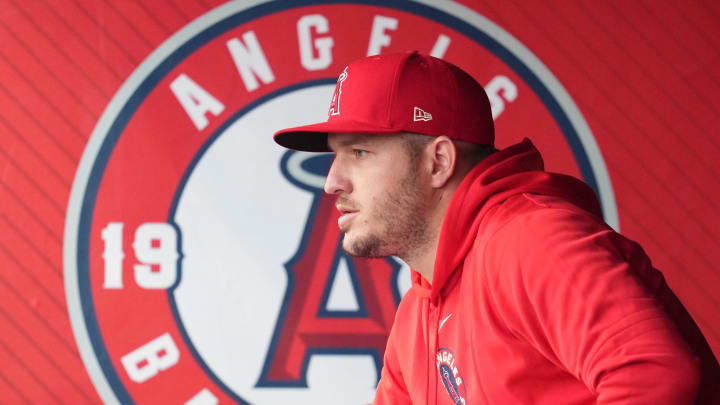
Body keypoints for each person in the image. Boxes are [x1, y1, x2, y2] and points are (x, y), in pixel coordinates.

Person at [273, 51, 719, 404]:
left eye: (359, 153)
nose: (332, 181)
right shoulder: (418, 312)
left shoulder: (531, 241)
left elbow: (653, 372)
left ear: (439, 162)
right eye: (335, 155)